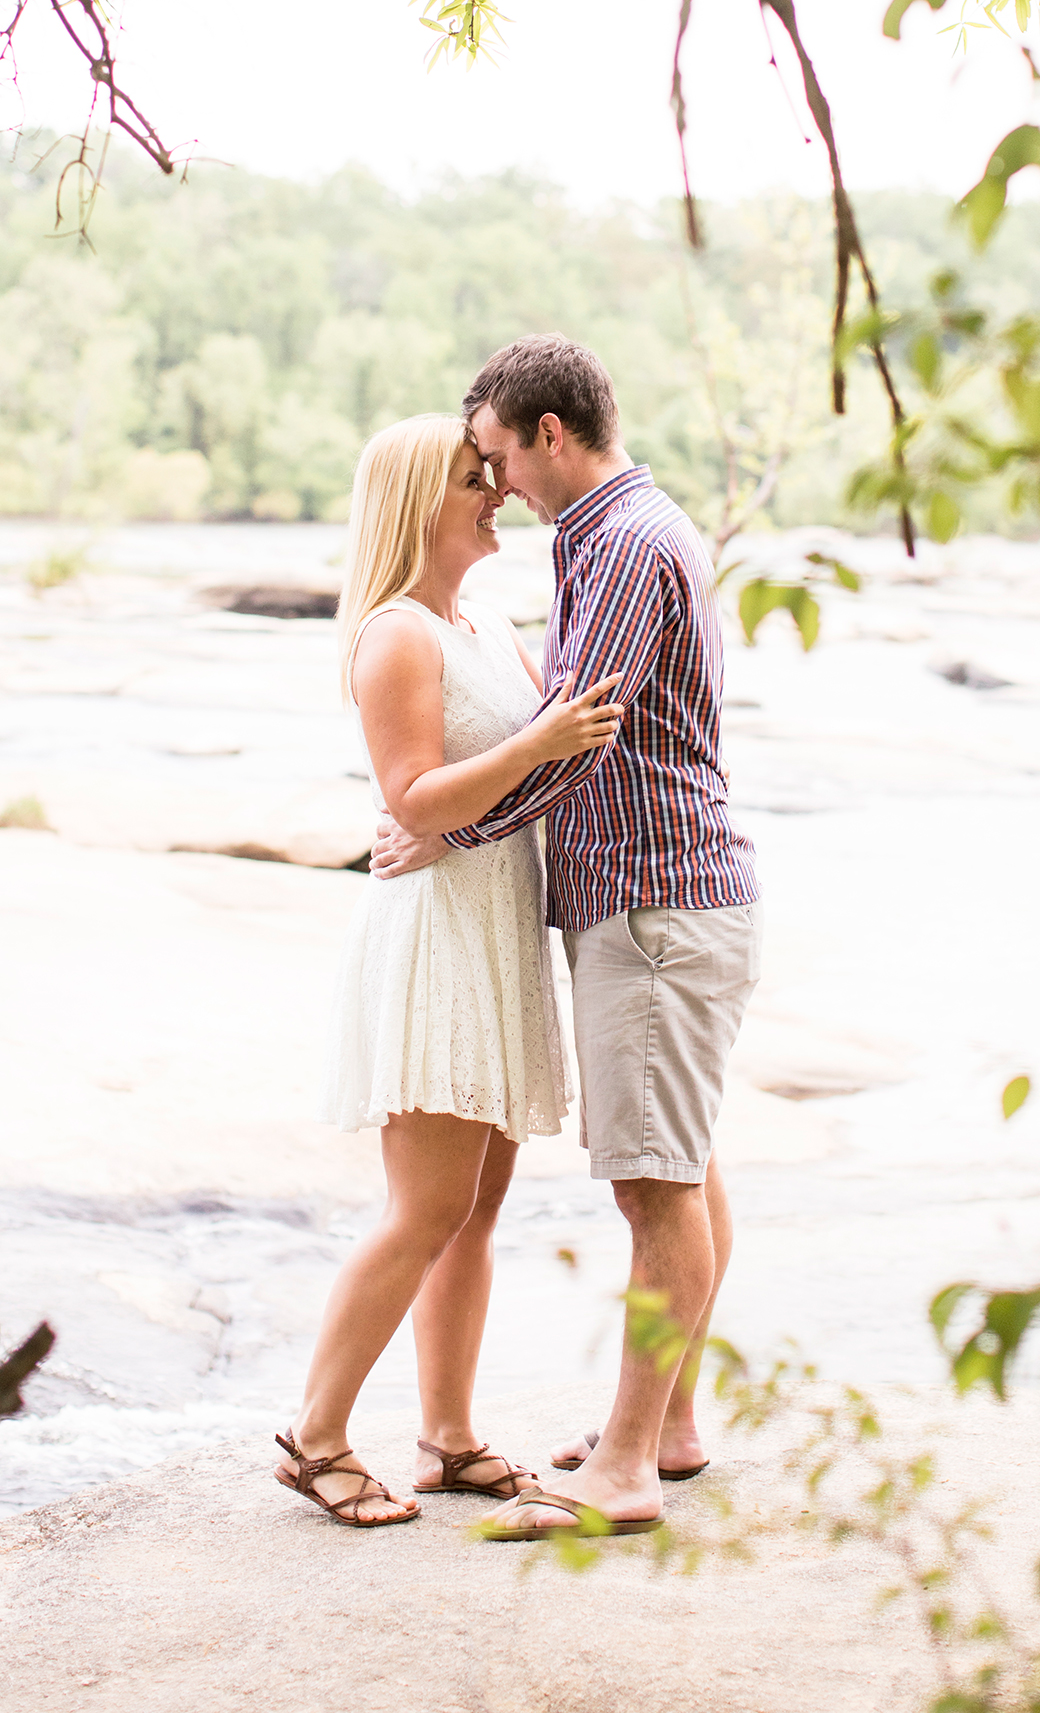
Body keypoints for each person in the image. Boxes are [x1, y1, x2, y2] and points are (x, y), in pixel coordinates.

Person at [371, 337, 761, 1541]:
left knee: (655, 1189)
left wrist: (450, 831)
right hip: (654, 897)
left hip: (653, 903)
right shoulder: (611, 536)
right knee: (682, 1170)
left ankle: (630, 1465)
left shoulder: (629, 543)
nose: (497, 488)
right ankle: (675, 1424)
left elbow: (577, 734)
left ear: (550, 434)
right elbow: (561, 718)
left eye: (497, 458)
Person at [275, 412, 625, 1528]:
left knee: (475, 1211)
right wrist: (536, 745)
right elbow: (414, 798)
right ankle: (315, 1438)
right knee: (423, 1208)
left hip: (494, 930)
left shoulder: (480, 621)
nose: (499, 493)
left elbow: (521, 777)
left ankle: (450, 1434)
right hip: (433, 942)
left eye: (496, 473)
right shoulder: (395, 635)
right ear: (419, 502)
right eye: (477, 479)